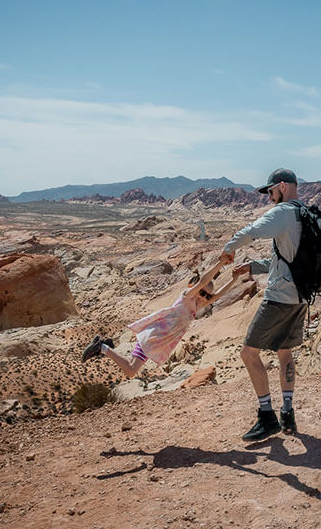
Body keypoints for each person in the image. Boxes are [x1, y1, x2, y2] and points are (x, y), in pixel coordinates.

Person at [220, 168, 307, 442]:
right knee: (285, 354)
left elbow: (252, 230)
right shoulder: (306, 215)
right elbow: (291, 261)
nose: (269, 197)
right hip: (302, 297)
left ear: (282, 186)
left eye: (270, 191)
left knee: (248, 353)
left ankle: (267, 416)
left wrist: (229, 249)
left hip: (279, 298)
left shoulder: (282, 213)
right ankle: (288, 414)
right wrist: (255, 266)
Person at [81, 258, 241, 377]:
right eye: (202, 292)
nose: (204, 297)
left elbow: (218, 295)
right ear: (193, 288)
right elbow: (203, 281)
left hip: (158, 341)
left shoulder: (196, 307)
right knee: (130, 371)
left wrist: (235, 279)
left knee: (131, 370)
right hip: (153, 336)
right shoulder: (187, 297)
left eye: (207, 295)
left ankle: (105, 346)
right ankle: (102, 347)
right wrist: (220, 264)